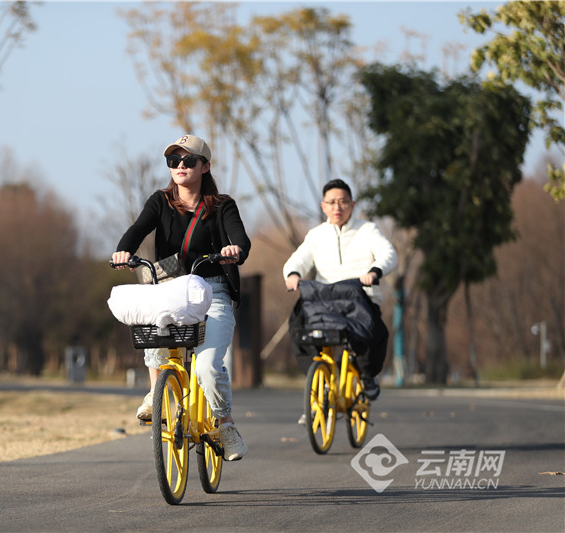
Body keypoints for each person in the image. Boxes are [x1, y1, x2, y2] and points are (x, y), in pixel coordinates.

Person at [112, 134, 251, 461]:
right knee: (151, 324)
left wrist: (235, 249)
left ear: (205, 166)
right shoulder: (160, 201)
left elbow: (241, 238)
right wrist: (124, 250)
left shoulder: (222, 205)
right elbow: (138, 228)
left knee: (206, 366)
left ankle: (226, 423)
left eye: (188, 160)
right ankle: (155, 392)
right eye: (173, 161)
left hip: (214, 289)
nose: (180, 166)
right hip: (173, 289)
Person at [283, 178, 397, 402]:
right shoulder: (316, 235)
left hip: (360, 296)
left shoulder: (368, 229)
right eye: (332, 202)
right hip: (324, 300)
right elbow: (298, 260)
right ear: (323, 206)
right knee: (297, 325)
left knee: (375, 333)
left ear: (352, 205)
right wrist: (293, 274)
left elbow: (388, 253)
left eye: (343, 201)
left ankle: (367, 375)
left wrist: (374, 271)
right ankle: (317, 382)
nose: (338, 207)